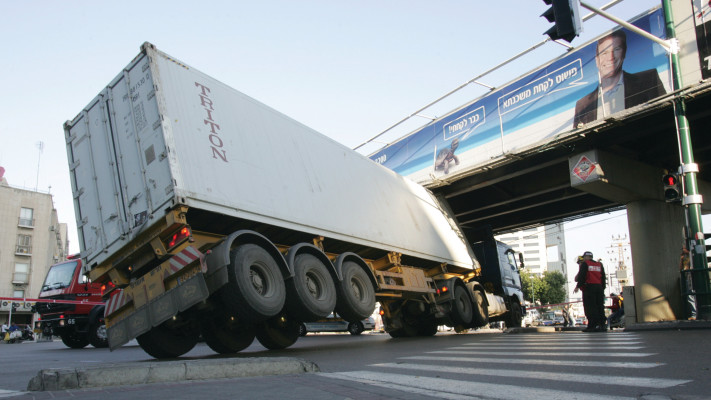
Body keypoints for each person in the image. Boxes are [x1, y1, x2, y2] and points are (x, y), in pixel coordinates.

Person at [573, 30, 667, 128]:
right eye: (604, 52)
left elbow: (666, 115)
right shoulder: (582, 104)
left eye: (616, 49)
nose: (611, 57)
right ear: (597, 60)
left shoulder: (648, 79)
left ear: (624, 53)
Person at [574, 251, 607, 332]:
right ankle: (602, 325)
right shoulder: (599, 264)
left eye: (584, 257)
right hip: (599, 288)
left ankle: (592, 325)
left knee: (590, 307)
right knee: (600, 306)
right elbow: (603, 277)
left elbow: (582, 276)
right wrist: (603, 288)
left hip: (589, 287)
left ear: (586, 257)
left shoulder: (586, 264)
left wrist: (577, 286)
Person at [679, 245, 698, 320]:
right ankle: (693, 314)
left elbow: (694, 259)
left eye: (684, 248)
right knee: (689, 295)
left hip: (691, 276)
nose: (683, 250)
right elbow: (680, 268)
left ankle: (694, 314)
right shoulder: (684, 257)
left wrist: (688, 253)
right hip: (687, 276)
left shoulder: (692, 255)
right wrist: (681, 259)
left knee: (692, 294)